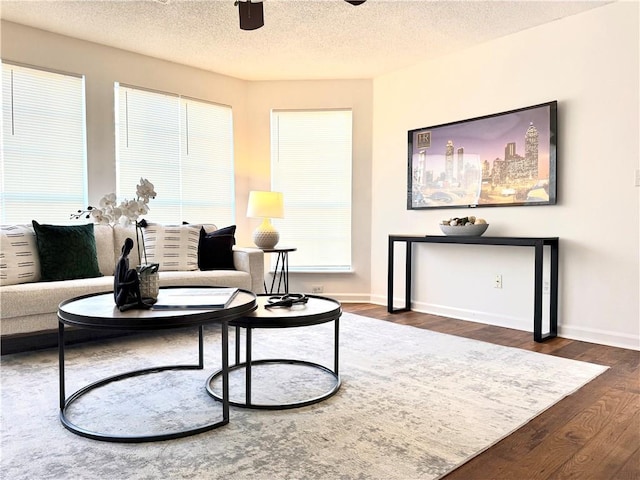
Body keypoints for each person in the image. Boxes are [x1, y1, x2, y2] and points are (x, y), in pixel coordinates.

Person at [114, 238, 152, 311]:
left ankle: (137, 302)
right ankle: (136, 304)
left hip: (125, 295)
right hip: (119, 299)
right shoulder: (122, 260)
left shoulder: (126, 259)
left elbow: (126, 278)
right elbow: (119, 284)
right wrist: (133, 283)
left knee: (151, 299)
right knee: (133, 272)